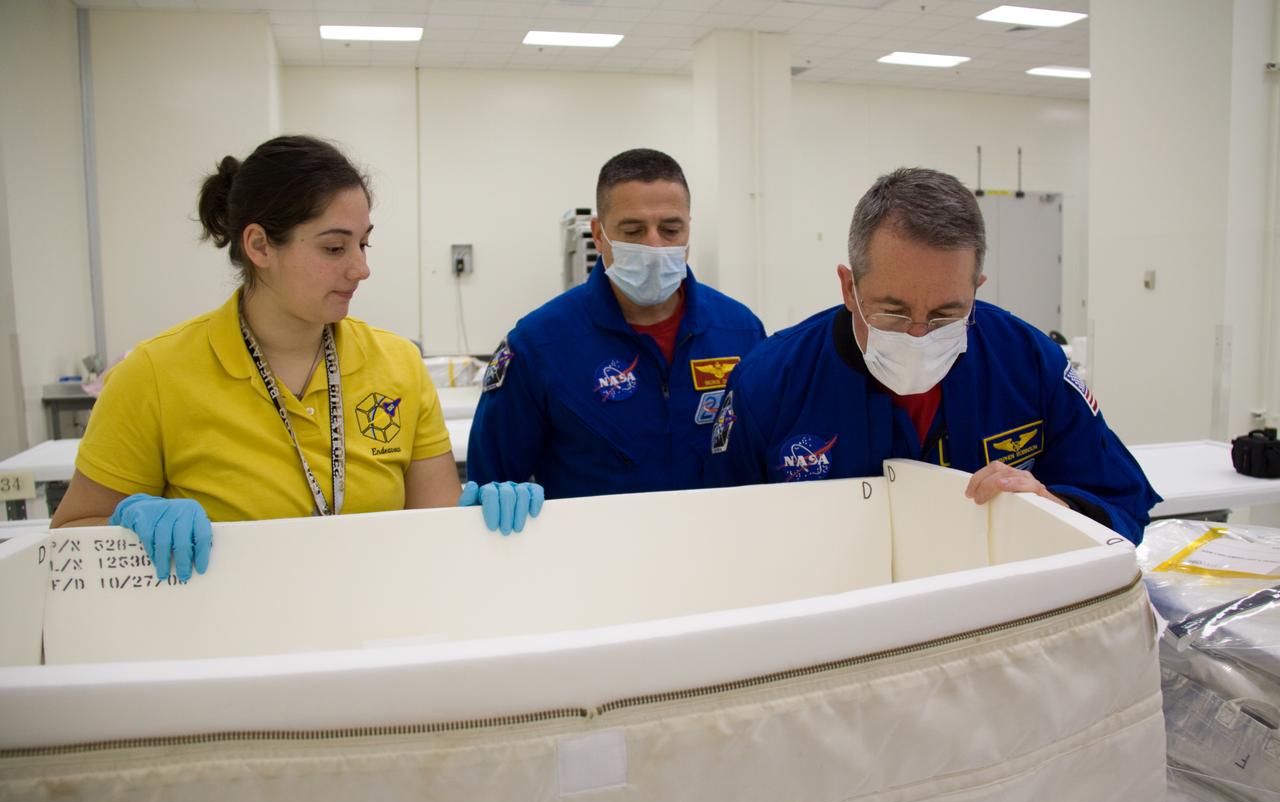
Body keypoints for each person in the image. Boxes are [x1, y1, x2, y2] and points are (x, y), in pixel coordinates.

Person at [51, 135, 541, 581]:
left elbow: (434, 525)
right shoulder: (156, 374)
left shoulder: (397, 365)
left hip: (379, 626)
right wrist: (124, 523)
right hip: (227, 638)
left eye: (364, 243)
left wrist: (478, 518)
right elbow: (70, 538)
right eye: (335, 247)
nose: (361, 268)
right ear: (259, 245)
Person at [705, 167, 1159, 544]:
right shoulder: (769, 383)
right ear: (848, 287)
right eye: (893, 312)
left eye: (946, 314)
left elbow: (1123, 502)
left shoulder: (1028, 362)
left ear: (975, 291)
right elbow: (718, 534)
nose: (918, 335)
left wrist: (1055, 511)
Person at [467, 148, 766, 498]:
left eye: (671, 229)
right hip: (594, 534)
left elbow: (765, 455)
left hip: (715, 530)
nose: (654, 245)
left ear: (688, 228)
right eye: (634, 230)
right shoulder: (539, 345)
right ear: (599, 234)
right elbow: (491, 479)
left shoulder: (740, 332)